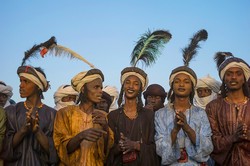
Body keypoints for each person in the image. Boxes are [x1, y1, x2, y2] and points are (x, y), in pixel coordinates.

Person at [53, 68, 114, 166]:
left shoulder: (104, 117)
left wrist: (105, 127)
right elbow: (61, 148)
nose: (100, 91)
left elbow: (106, 152)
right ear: (83, 88)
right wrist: (81, 136)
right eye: (96, 87)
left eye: (101, 88)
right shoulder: (65, 114)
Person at [154, 66, 213, 165]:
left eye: (186, 82)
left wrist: (187, 128)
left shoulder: (201, 113)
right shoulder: (160, 114)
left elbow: (208, 147)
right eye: (177, 81)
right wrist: (175, 130)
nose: (181, 84)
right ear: (172, 86)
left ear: (191, 88)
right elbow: (159, 149)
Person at [0, 65, 58, 165]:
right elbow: (3, 148)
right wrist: (23, 131)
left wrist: (37, 131)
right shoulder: (11, 111)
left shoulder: (52, 114)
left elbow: (55, 153)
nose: (21, 85)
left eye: (26, 81)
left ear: (38, 86)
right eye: (20, 81)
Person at [107, 67, 159, 166]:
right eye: (127, 82)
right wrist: (120, 147)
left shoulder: (149, 116)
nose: (131, 86)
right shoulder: (113, 116)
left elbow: (157, 149)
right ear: (123, 86)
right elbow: (106, 151)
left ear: (140, 88)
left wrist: (136, 145)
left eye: (136, 84)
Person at [206, 54, 250, 166]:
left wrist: (246, 135)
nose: (234, 77)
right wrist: (233, 138)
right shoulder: (213, 107)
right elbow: (211, 140)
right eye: (229, 74)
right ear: (224, 79)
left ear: (244, 78)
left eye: (238, 74)